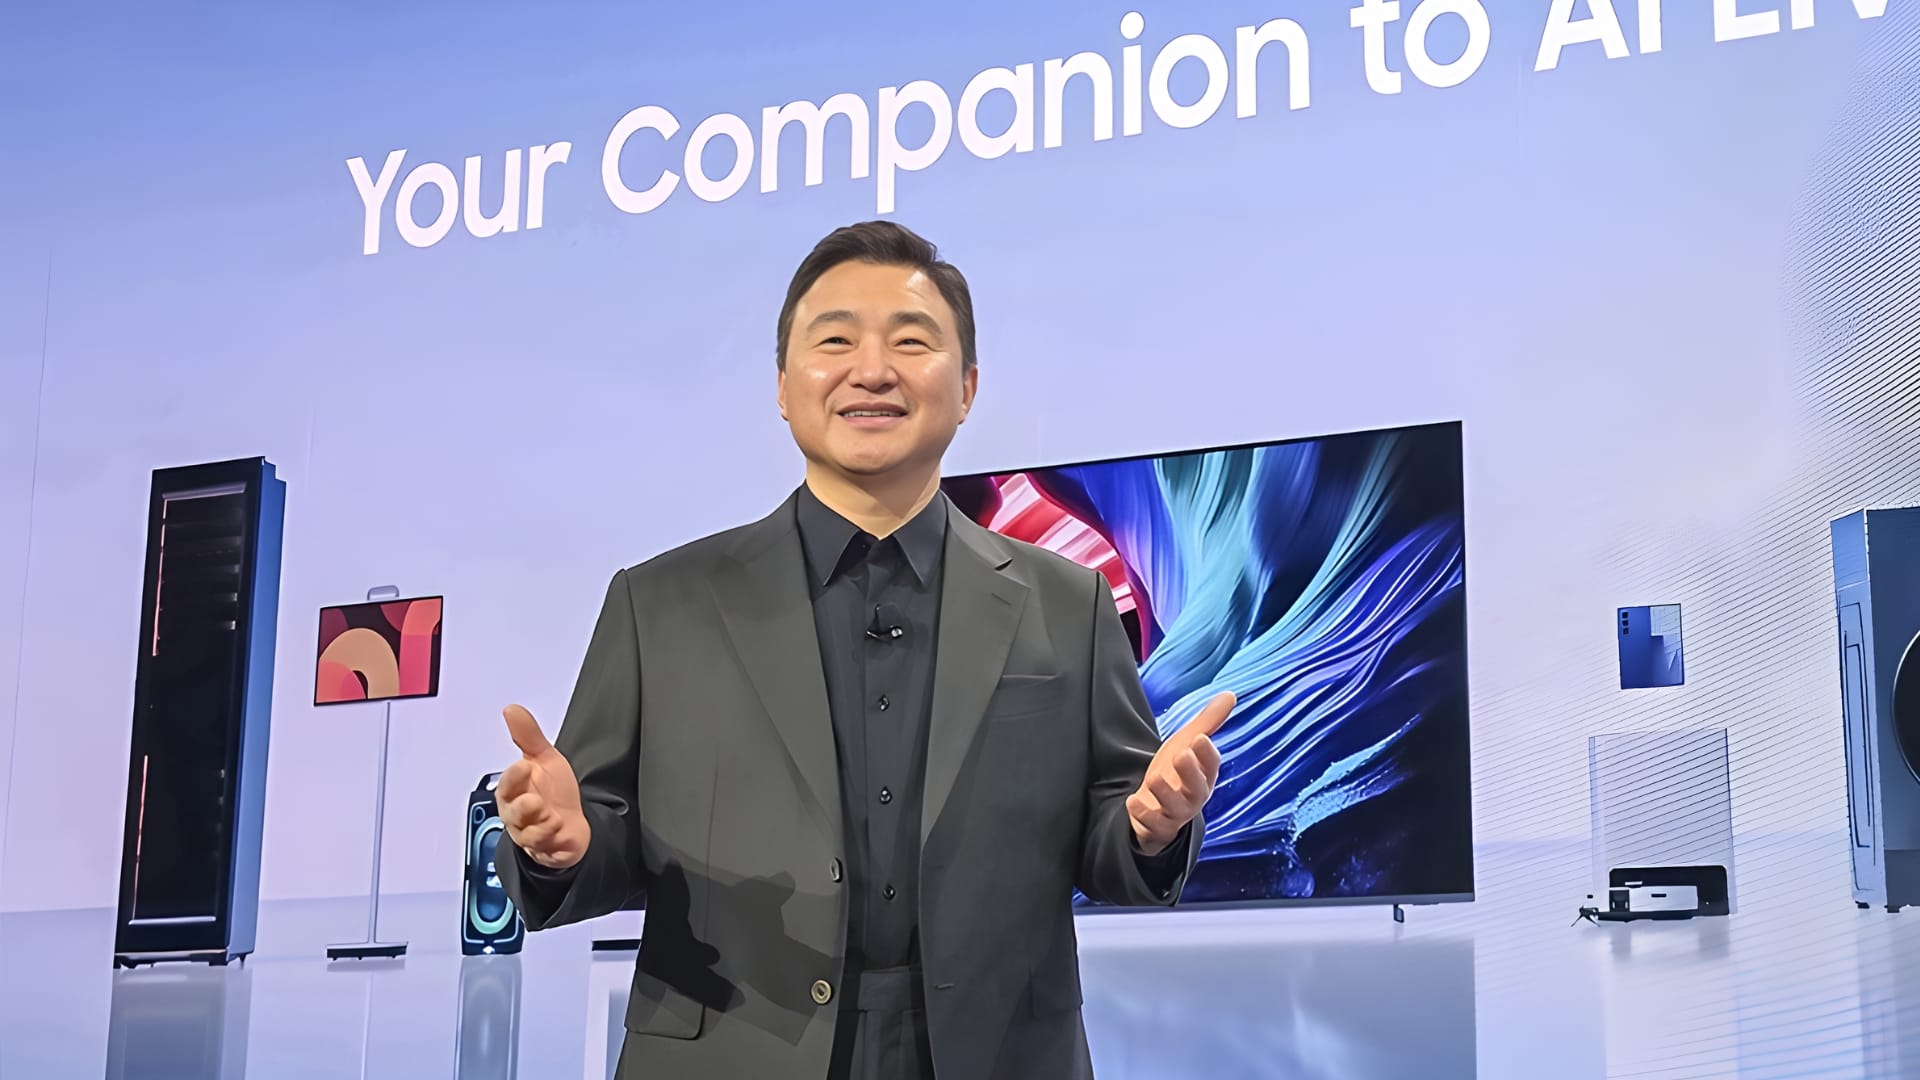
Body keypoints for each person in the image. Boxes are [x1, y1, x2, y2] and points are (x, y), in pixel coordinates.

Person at [495, 220, 1232, 1080]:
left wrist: (1148, 828)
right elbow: (603, 837)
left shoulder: (1069, 601)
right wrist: (562, 843)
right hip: (732, 1052)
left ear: (967, 388)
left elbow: (1111, 838)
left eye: (911, 342)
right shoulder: (660, 602)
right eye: (835, 341)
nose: (872, 370)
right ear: (783, 386)